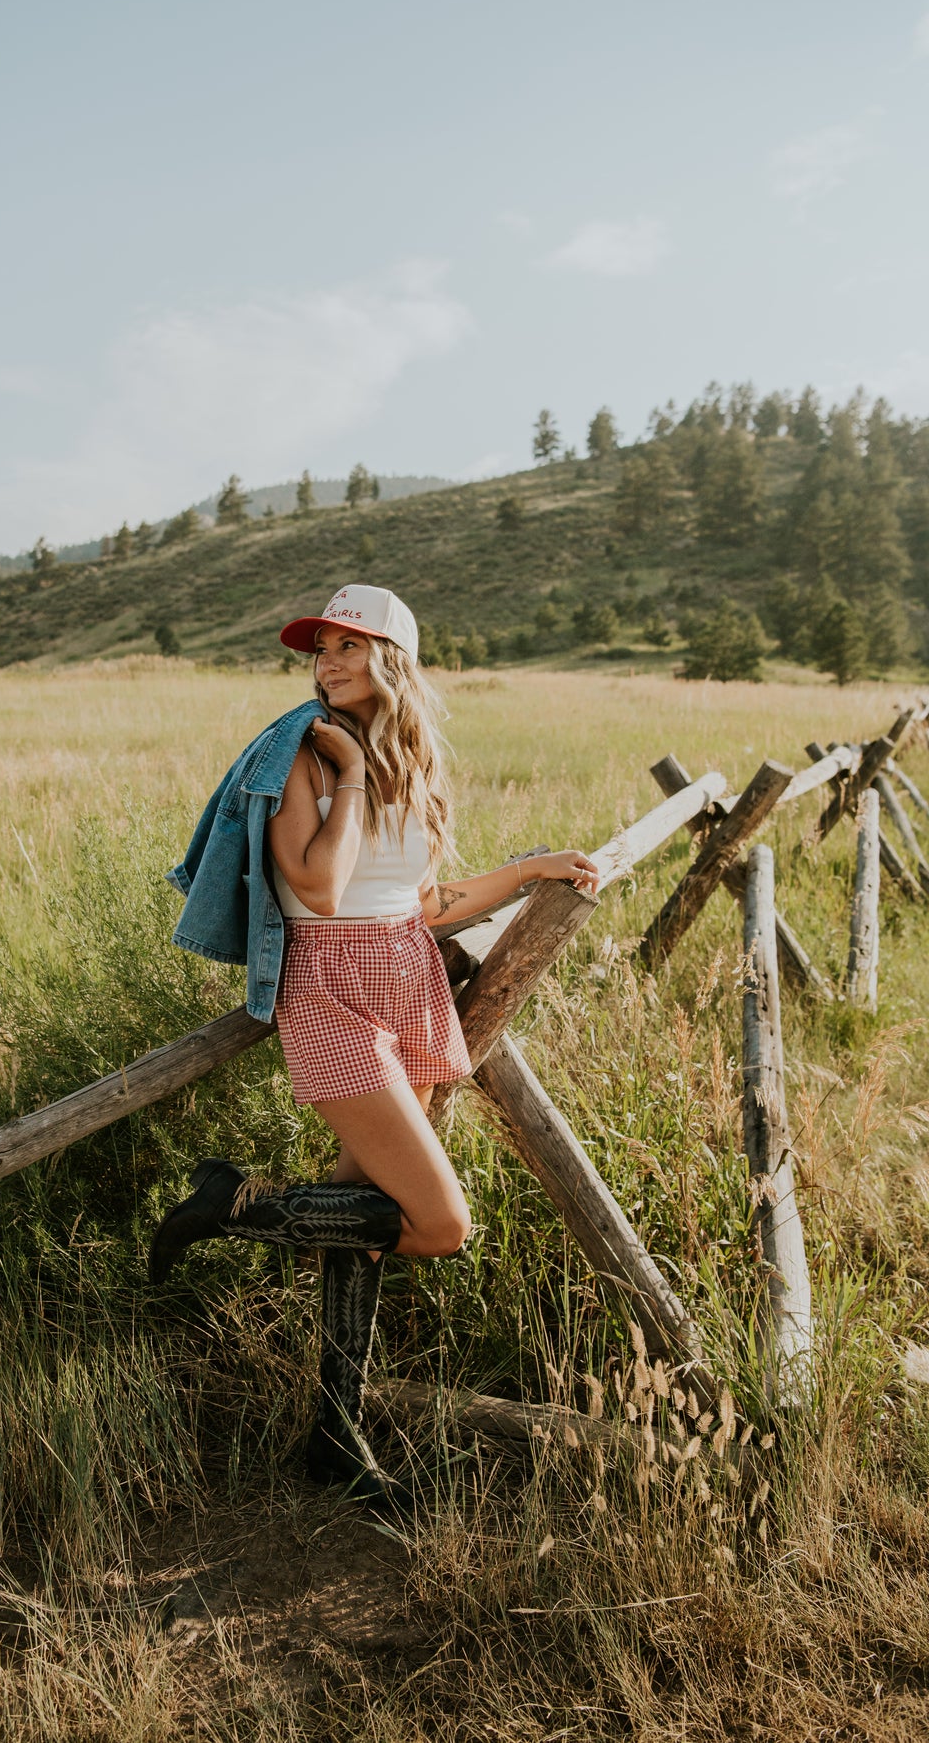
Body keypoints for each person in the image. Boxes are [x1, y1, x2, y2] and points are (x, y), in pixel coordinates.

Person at [150, 585, 599, 1508]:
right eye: (321, 647)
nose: (329, 661)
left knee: (362, 1223)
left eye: (350, 645)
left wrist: (532, 869)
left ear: (393, 658)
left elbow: (425, 906)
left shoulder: (418, 762)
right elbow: (318, 889)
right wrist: (349, 769)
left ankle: (334, 1438)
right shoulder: (304, 754)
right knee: (439, 1223)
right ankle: (230, 1202)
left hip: (405, 979)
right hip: (330, 991)